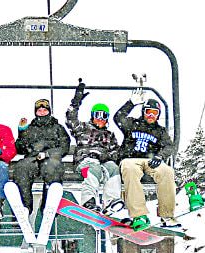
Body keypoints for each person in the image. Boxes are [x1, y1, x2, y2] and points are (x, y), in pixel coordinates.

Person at [113, 90, 179, 230]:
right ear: (143, 112)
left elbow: (169, 146)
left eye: (154, 113)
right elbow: (118, 118)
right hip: (131, 159)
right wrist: (130, 103)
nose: (150, 116)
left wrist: (160, 156)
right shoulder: (133, 124)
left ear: (158, 116)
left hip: (150, 160)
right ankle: (139, 214)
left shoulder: (160, 131)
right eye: (148, 112)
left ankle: (167, 214)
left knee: (167, 171)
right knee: (129, 169)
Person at [66, 83, 124, 215]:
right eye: (98, 115)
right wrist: (76, 102)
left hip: (102, 164)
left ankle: (111, 201)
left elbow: (115, 153)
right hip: (85, 163)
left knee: (113, 167)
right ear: (92, 116)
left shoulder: (109, 135)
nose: (101, 119)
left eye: (104, 116)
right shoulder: (83, 128)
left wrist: (112, 156)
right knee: (94, 166)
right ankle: (88, 201)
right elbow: (70, 120)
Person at [13, 98, 70, 215]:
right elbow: (20, 148)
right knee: (22, 168)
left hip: (50, 158)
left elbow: (64, 147)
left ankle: (49, 206)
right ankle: (24, 207)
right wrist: (22, 132)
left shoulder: (58, 128)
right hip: (32, 158)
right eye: (39, 110)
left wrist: (48, 153)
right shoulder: (30, 129)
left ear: (49, 111)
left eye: (45, 110)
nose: (42, 112)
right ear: (36, 112)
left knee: (52, 167)